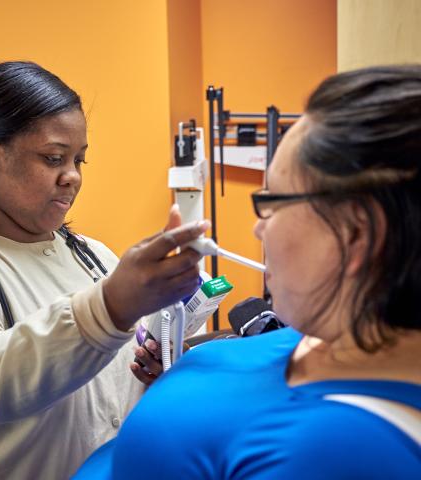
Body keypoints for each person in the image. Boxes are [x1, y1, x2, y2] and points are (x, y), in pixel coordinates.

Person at [75, 65, 421, 479]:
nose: (259, 228)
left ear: (356, 234)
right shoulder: (328, 335)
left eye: (271, 202)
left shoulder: (341, 452)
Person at [0, 61, 208, 479]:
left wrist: (153, 368)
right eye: (54, 158)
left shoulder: (95, 257)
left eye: (79, 160)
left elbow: (112, 396)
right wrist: (110, 307)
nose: (72, 176)